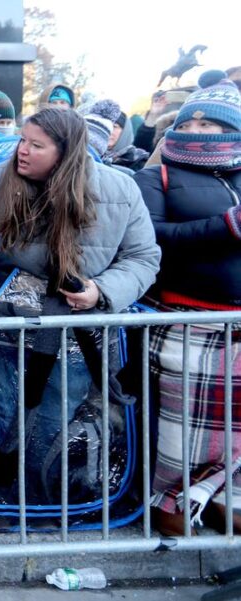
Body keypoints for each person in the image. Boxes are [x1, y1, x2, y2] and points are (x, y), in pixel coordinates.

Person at [0, 107, 160, 495]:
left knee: (57, 412)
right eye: (22, 140)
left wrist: (100, 292)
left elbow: (144, 258)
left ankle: (41, 497)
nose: (22, 150)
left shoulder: (120, 190)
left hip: (81, 324)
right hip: (9, 324)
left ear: (66, 151)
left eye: (36, 145)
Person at [133, 70, 241, 536]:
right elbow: (154, 237)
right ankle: (173, 504)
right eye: (190, 123)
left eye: (209, 125)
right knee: (182, 428)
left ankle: (220, 497)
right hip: (184, 318)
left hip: (237, 323)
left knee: (234, 428)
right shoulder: (155, 173)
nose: (195, 131)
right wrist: (227, 225)